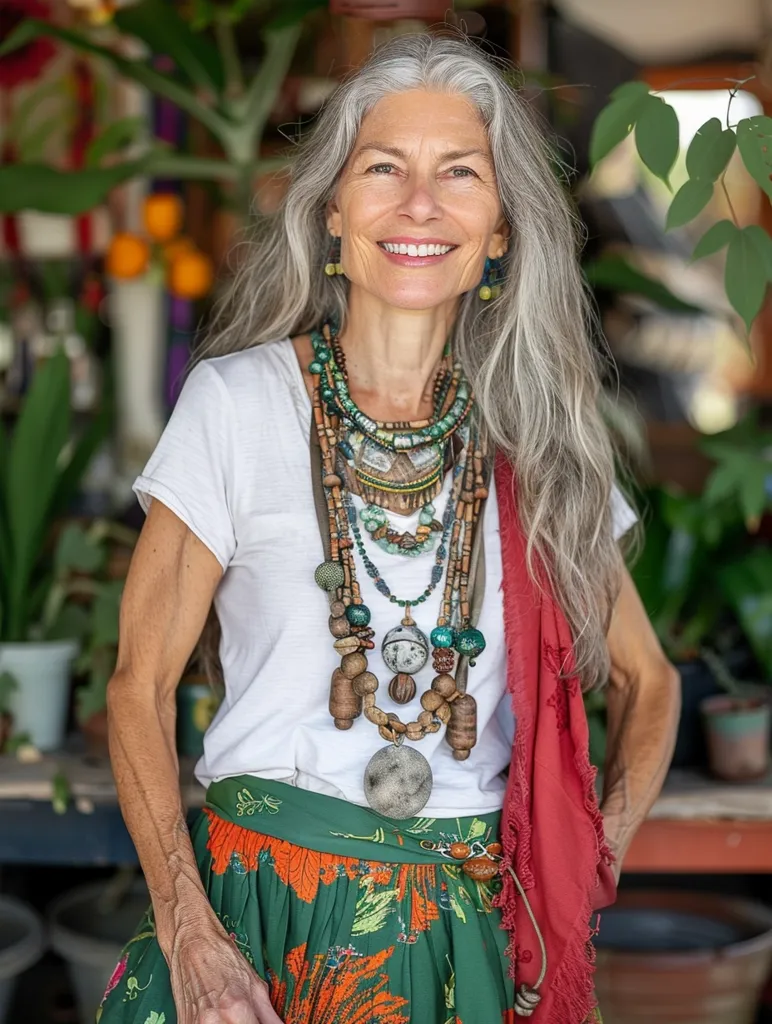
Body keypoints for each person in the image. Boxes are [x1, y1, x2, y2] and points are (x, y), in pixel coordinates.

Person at [97, 32, 680, 1024]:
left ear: (498, 229)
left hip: (464, 936)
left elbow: (649, 680)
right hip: (253, 919)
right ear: (333, 214)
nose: (420, 204)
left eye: (459, 172)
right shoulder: (237, 406)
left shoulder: (535, 446)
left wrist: (589, 856)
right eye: (384, 168)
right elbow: (138, 686)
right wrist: (189, 932)